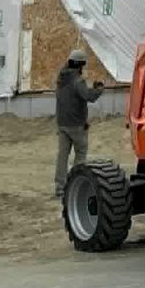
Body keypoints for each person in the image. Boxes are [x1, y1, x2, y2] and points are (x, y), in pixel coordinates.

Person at [54, 48, 104, 198]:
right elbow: (88, 96)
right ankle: (76, 186)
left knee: (62, 156)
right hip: (76, 124)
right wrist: (99, 89)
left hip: (62, 123)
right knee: (80, 155)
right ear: (80, 65)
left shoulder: (61, 79)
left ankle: (60, 187)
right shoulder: (78, 81)